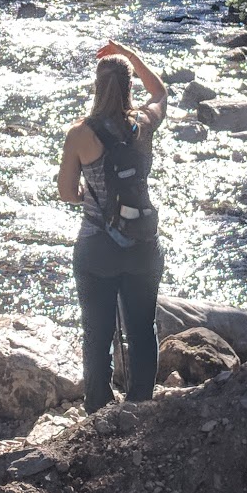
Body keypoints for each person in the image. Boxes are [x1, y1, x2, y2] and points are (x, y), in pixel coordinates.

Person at [57, 39, 167, 412]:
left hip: (96, 246)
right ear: (128, 88)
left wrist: (95, 196)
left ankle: (99, 408)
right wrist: (130, 54)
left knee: (97, 332)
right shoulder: (144, 124)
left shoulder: (79, 134)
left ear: (95, 88)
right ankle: (141, 404)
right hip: (143, 243)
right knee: (141, 329)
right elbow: (161, 92)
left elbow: (67, 193)